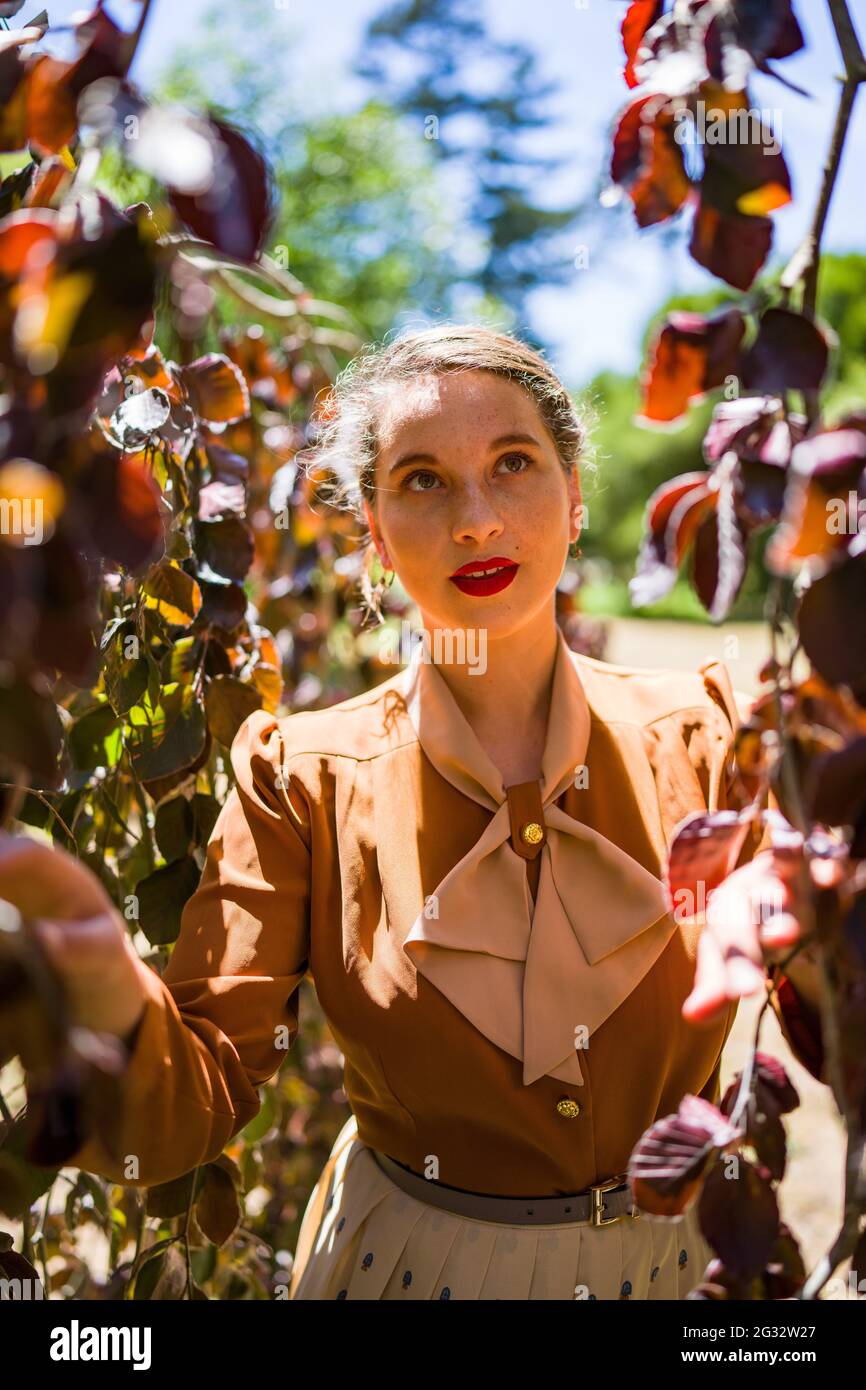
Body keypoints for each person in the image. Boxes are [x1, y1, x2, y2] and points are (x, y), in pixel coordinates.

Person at [0, 324, 826, 1301]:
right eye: (422, 480)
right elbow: (191, 1102)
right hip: (407, 1273)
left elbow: (830, 1014)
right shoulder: (300, 778)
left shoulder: (715, 737)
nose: (475, 520)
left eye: (511, 464)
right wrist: (97, 972)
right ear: (377, 537)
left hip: (684, 1271)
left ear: (572, 499)